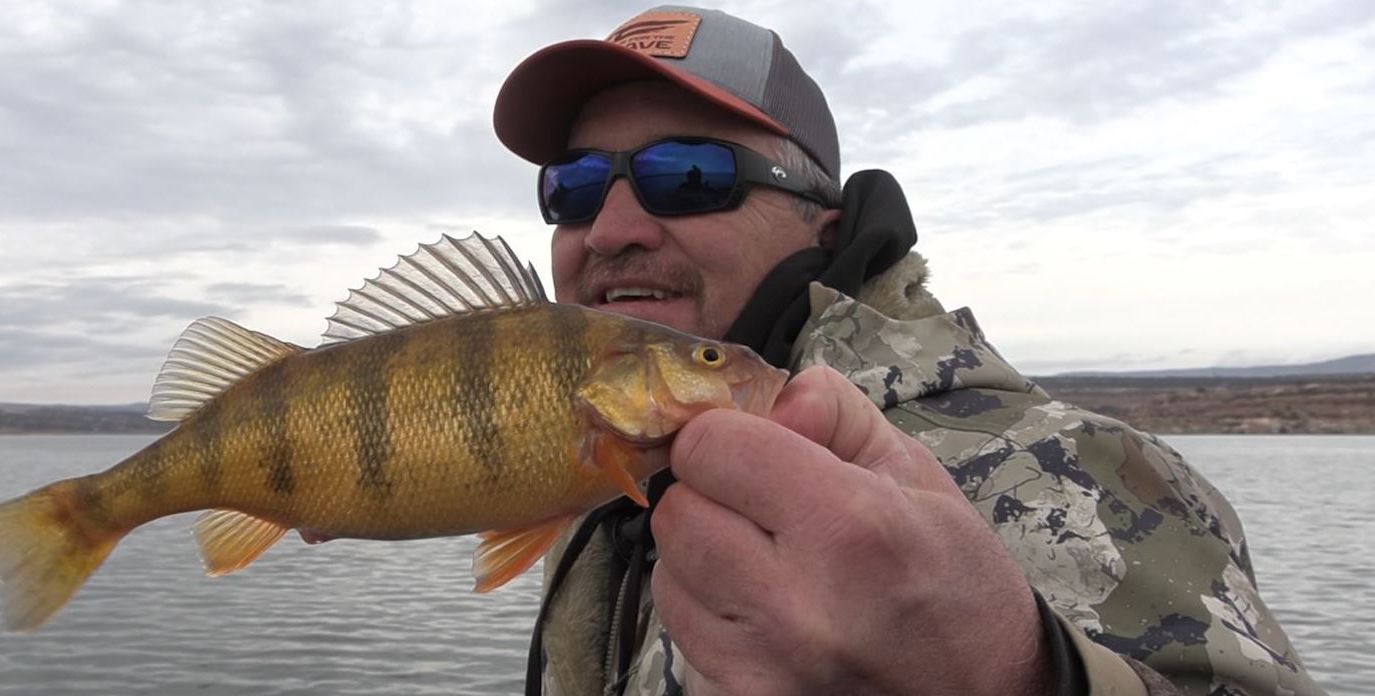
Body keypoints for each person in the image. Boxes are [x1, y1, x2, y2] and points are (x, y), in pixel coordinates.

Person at [493, 6, 1325, 696]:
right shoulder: (613, 464)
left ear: (816, 221)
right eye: (572, 188)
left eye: (687, 175)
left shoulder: (1059, 463)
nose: (611, 230)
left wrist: (1021, 674)